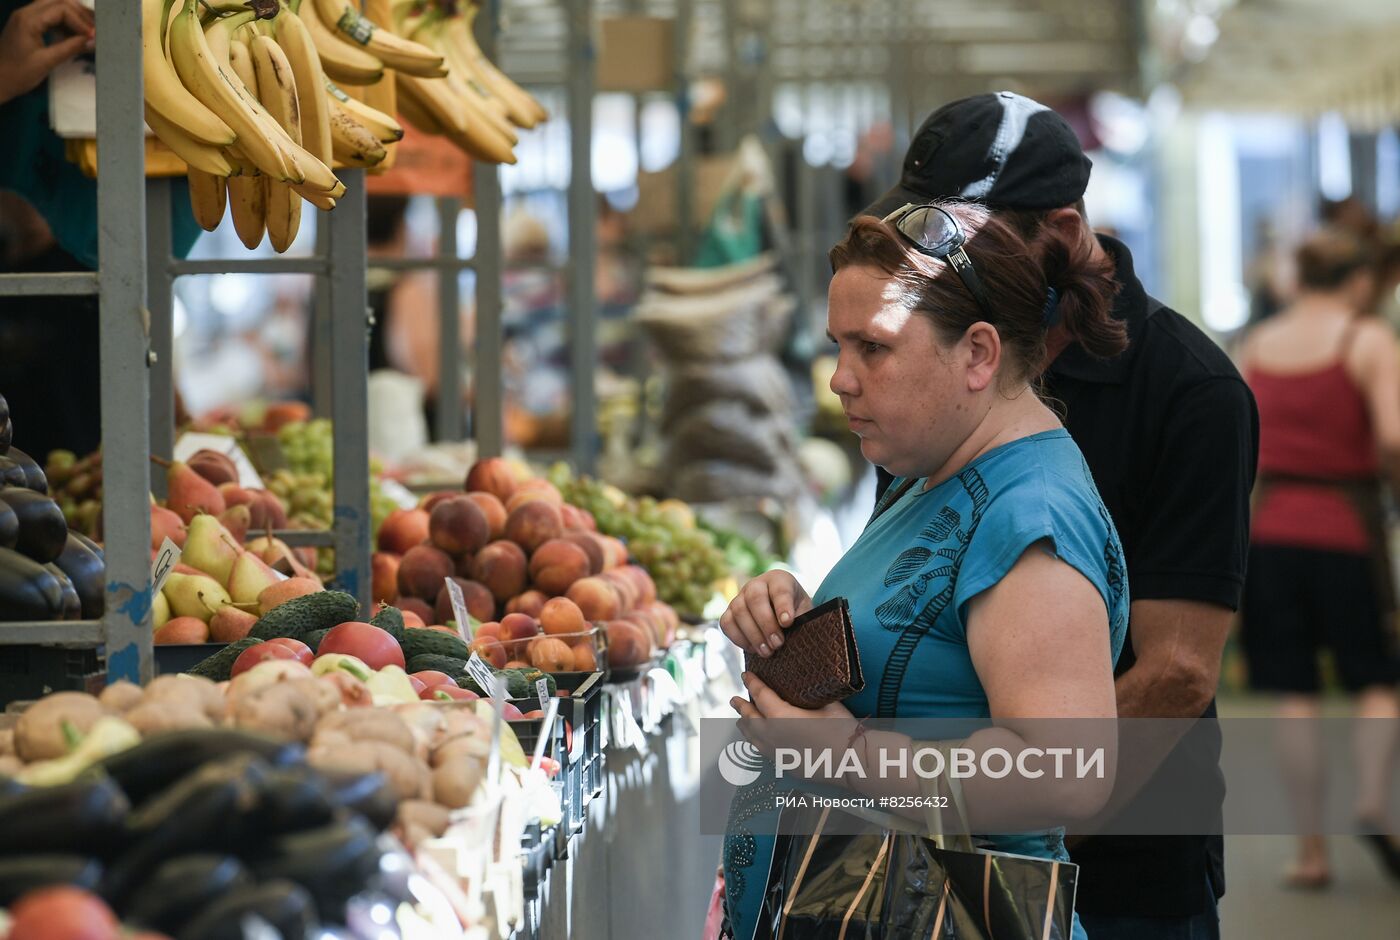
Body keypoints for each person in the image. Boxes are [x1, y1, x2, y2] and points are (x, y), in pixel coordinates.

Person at [864, 92, 1258, 938]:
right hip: (934, 852)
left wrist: (1017, 828)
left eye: (971, 238)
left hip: (1120, 875)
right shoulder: (940, 361)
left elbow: (1179, 672)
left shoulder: (1193, 393)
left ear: (1066, 228)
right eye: (928, 236)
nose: (943, 262)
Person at [718, 197, 1131, 940]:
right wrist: (791, 623)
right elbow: (918, 648)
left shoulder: (1027, 517)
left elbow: (1068, 775)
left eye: (872, 348)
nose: (840, 379)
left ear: (977, 354)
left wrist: (845, 755)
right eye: (837, 346)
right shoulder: (934, 472)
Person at [1238, 227, 1400, 888]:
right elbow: (1392, 435)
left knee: (1293, 691)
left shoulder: (1256, 346)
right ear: (1360, 282)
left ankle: (1310, 852)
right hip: (1346, 531)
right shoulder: (1366, 340)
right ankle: (1371, 799)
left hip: (1270, 531)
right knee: (1378, 680)